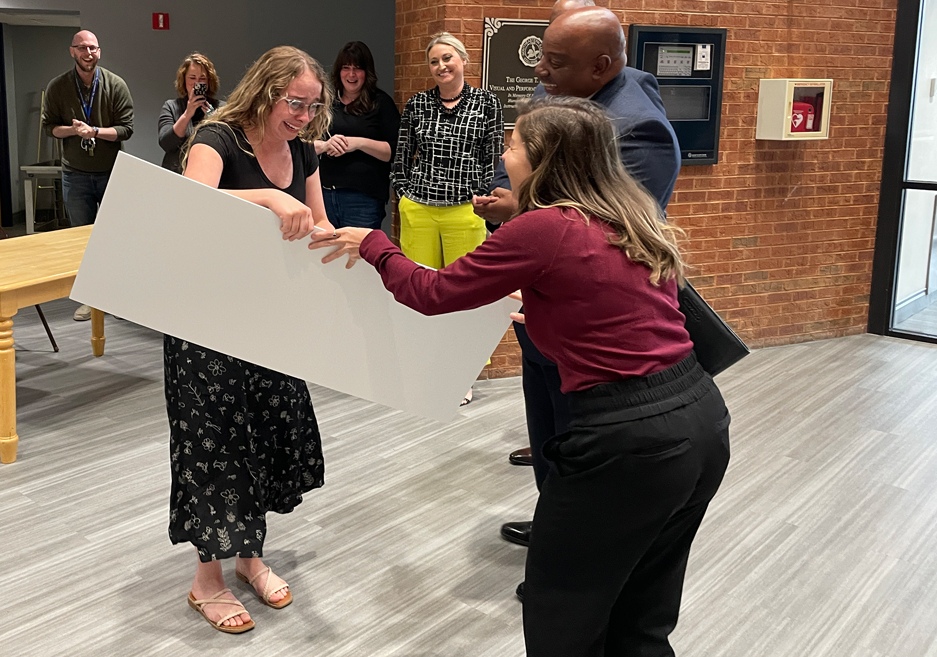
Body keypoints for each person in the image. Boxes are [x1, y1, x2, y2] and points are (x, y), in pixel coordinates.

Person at [312, 97, 729, 657]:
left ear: (543, 159)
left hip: (627, 442)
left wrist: (374, 243)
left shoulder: (543, 228)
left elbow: (432, 294)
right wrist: (550, 311)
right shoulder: (626, 212)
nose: (503, 155)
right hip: (701, 419)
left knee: (561, 614)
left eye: (511, 145)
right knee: (641, 618)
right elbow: (616, 305)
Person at [477, 5, 683, 564]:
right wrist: (507, 203)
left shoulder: (640, 129)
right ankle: (556, 530)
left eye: (555, 61)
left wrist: (516, 209)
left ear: (601, 66)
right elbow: (515, 170)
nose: (540, 70)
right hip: (541, 319)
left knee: (584, 451)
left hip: (590, 334)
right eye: (543, 54)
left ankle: (578, 558)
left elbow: (604, 225)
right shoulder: (560, 95)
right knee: (549, 439)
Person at [169, 45, 336, 634]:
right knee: (214, 446)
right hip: (208, 325)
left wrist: (353, 246)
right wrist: (267, 197)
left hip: (270, 323)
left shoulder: (302, 151)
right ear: (266, 90)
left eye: (313, 107)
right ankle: (205, 580)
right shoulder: (216, 138)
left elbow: (317, 228)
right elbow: (190, 208)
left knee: (263, 440)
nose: (303, 116)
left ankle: (249, 558)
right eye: (295, 103)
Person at [394, 32, 504, 405]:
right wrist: (403, 192)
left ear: (462, 60)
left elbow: (492, 156)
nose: (441, 66)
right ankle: (422, 370)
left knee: (466, 293)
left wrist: (485, 198)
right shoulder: (417, 104)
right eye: (434, 61)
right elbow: (402, 154)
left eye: (447, 59)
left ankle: (461, 374)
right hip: (420, 209)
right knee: (416, 290)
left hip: (464, 211)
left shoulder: (486, 103)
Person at [41, 30, 134, 321]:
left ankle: (116, 297)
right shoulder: (57, 87)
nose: (87, 52)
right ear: (72, 51)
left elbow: (126, 129)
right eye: (81, 47)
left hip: (111, 173)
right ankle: (91, 300)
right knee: (82, 240)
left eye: (92, 48)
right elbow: (49, 127)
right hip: (75, 174)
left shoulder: (115, 85)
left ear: (99, 52)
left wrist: (94, 131)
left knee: (113, 238)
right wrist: (74, 130)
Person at [315, 41, 400, 229]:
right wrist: (325, 145)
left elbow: (394, 152)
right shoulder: (326, 102)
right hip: (324, 195)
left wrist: (358, 143)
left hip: (363, 200)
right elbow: (302, 142)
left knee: (359, 255)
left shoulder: (381, 103)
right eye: (346, 68)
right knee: (323, 254)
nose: (351, 74)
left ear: (366, 73)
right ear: (339, 71)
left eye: (358, 68)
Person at [158, 52, 222, 174]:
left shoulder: (221, 108)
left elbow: (227, 144)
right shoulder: (171, 106)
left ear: (209, 82)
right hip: (175, 173)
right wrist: (187, 114)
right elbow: (166, 143)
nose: (196, 83)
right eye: (192, 78)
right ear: (184, 80)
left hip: (207, 173)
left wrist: (213, 119)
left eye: (202, 79)